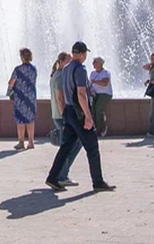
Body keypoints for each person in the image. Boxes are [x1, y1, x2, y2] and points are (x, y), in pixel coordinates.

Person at [45, 41, 115, 193]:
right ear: (83, 54)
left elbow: (63, 95)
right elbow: (81, 94)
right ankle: (98, 182)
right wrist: (88, 116)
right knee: (92, 147)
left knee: (66, 146)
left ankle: (52, 177)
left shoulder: (66, 68)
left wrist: (65, 113)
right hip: (79, 113)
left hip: (69, 112)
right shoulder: (80, 69)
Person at [49, 52, 82, 186]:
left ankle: (62, 174)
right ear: (62, 62)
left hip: (58, 115)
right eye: (68, 61)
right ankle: (61, 176)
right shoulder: (61, 76)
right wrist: (65, 116)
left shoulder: (56, 75)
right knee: (71, 145)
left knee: (70, 144)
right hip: (62, 116)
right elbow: (59, 98)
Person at [8, 48, 37, 150]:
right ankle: (31, 142)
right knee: (30, 120)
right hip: (31, 98)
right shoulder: (34, 69)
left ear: (22, 57)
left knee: (20, 120)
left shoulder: (18, 69)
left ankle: (21, 142)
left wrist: (10, 91)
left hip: (20, 97)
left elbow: (11, 82)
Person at [89, 56, 113, 137]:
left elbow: (105, 83)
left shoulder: (106, 72)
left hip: (105, 93)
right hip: (95, 93)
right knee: (92, 108)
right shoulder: (92, 73)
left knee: (98, 108)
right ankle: (94, 127)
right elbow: (90, 84)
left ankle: (101, 128)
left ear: (100, 63)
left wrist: (95, 81)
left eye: (94, 62)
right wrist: (91, 89)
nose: (93, 64)